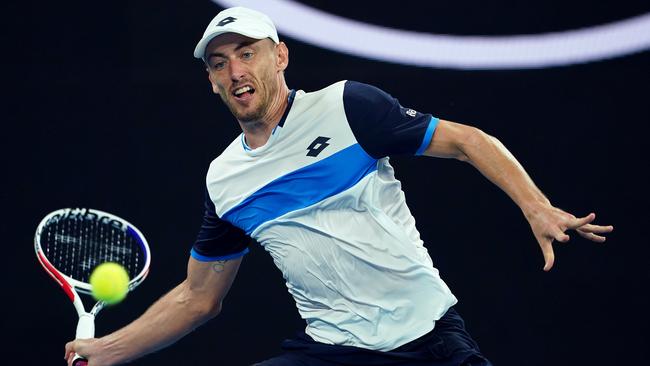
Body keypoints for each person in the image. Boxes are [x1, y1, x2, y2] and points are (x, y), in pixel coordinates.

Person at [65, 6, 614, 366]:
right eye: (219, 63)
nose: (235, 71)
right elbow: (198, 298)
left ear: (280, 57)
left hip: (428, 342)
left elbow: (468, 140)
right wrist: (103, 352)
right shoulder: (224, 180)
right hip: (333, 352)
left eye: (247, 53)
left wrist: (536, 207)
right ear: (210, 82)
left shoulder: (348, 106)